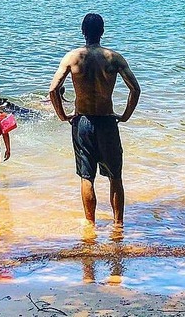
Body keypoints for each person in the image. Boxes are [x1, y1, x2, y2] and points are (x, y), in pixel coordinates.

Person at [48, 13, 141, 226]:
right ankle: (118, 226)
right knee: (115, 177)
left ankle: (90, 226)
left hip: (82, 122)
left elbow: (53, 90)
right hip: (107, 122)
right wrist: (125, 116)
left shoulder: (72, 57)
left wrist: (63, 115)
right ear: (102, 31)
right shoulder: (114, 58)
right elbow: (135, 89)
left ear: (83, 32)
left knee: (86, 177)